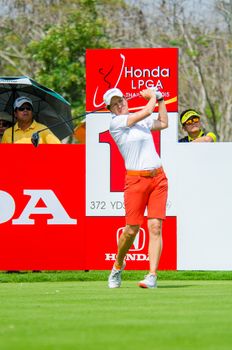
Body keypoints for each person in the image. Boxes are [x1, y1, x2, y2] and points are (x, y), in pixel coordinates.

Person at [103, 87, 168, 289]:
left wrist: (161, 99)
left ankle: (152, 276)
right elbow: (147, 111)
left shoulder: (140, 121)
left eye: (121, 100)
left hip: (158, 178)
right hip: (135, 181)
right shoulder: (116, 123)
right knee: (131, 230)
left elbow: (164, 123)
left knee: (155, 227)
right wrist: (151, 97)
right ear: (110, 109)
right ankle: (117, 265)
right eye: (115, 104)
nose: (120, 105)